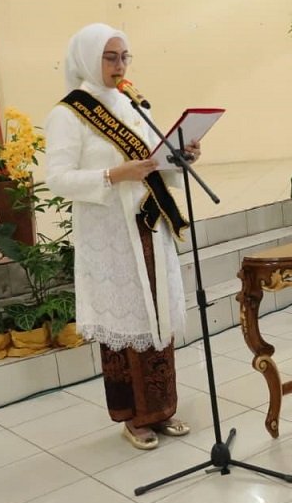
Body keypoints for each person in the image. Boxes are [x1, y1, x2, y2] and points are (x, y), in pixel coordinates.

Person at [45, 23, 199, 450]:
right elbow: (57, 178)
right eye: (110, 57)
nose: (119, 65)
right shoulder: (68, 113)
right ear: (88, 59)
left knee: (158, 316)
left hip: (149, 226)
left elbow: (154, 160)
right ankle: (133, 417)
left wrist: (179, 156)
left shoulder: (132, 104)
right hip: (110, 234)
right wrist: (113, 175)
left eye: (124, 56)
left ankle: (162, 409)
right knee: (125, 321)